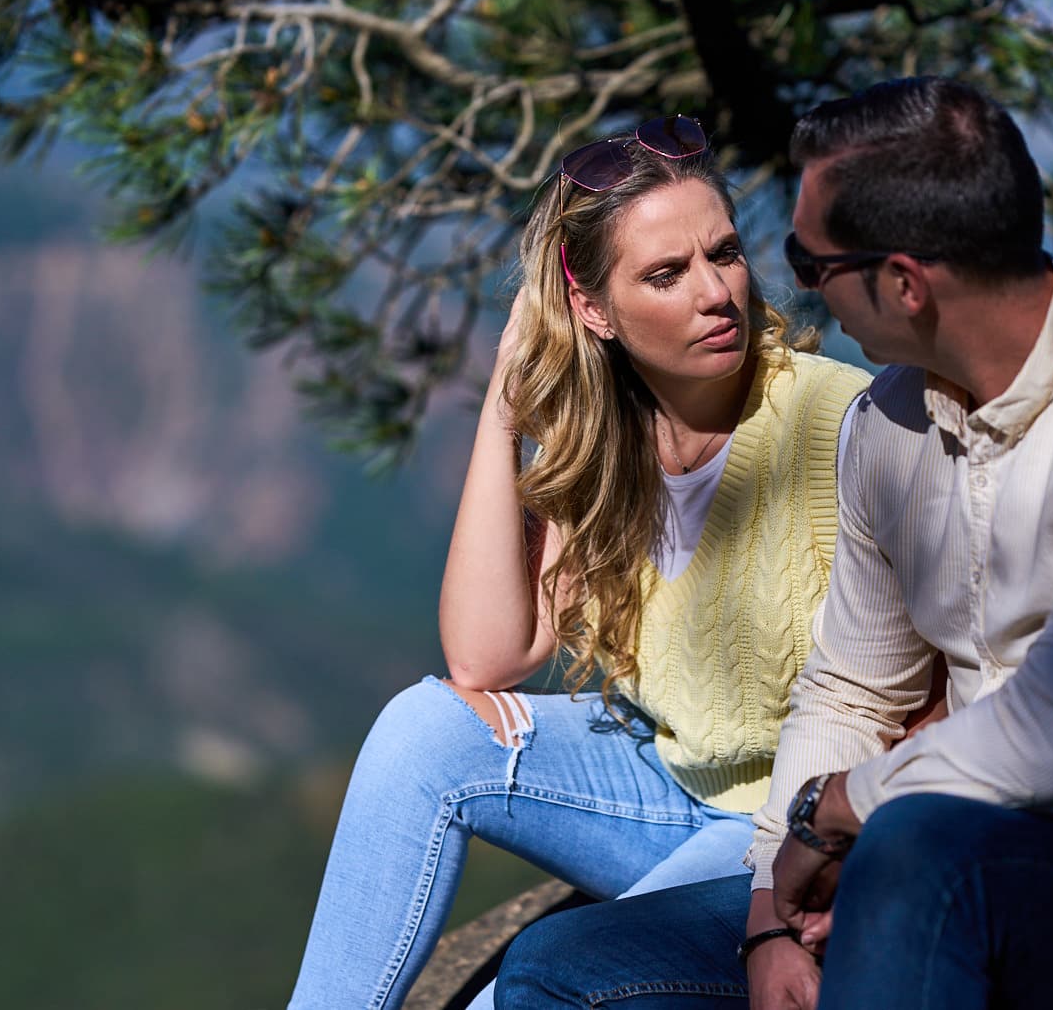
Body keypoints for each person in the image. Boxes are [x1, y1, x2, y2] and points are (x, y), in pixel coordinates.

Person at [495, 77, 1053, 1010]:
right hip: (951, 854)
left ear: (903, 282)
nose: (778, 286)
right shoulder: (890, 420)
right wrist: (766, 916)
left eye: (805, 255)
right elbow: (850, 684)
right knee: (559, 966)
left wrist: (834, 817)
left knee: (923, 862)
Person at [284, 117, 882, 1010]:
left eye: (722, 252)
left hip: (779, 821)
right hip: (660, 778)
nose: (716, 292)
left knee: (520, 994)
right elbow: (487, 660)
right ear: (593, 310)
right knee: (421, 730)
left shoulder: (838, 424)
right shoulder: (606, 434)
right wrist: (506, 403)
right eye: (666, 274)